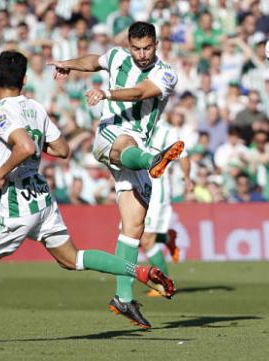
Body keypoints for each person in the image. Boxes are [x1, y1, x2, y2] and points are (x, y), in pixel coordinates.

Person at [0, 50, 175, 345]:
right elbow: (61, 150)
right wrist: (32, 148)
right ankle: (140, 270)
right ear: (25, 79)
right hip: (44, 200)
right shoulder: (35, 109)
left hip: (16, 205)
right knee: (72, 259)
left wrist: (1, 172)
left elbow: (24, 146)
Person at [48, 21, 183, 329]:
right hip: (112, 138)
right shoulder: (117, 57)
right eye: (136, 48)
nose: (142, 53)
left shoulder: (166, 73)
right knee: (127, 144)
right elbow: (93, 60)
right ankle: (153, 160)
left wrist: (106, 93)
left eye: (147, 47)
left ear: (156, 44)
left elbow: (140, 92)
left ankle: (123, 298)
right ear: (129, 45)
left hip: (135, 149)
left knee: (133, 228)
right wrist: (68, 65)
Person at [140, 110, 194, 297]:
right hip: (136, 186)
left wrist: (187, 178)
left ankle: (164, 284)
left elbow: (183, 156)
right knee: (136, 236)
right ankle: (167, 238)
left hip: (157, 189)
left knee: (146, 239)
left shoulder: (168, 131)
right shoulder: (135, 125)